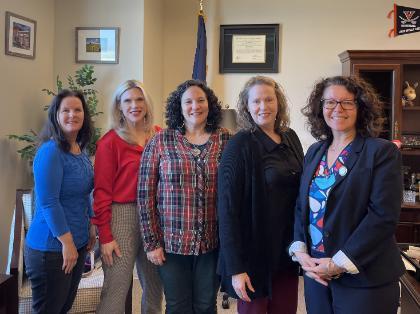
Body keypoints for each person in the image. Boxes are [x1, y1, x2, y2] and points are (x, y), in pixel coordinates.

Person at [289, 76, 405, 314]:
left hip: (365, 279)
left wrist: (338, 263)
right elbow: (303, 206)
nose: (337, 109)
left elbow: (382, 217)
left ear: (360, 107)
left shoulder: (381, 152)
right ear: (320, 108)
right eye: (330, 102)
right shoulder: (314, 152)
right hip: (318, 276)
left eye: (347, 102)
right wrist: (301, 251)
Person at [138, 79, 230, 314]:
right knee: (178, 306)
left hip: (212, 243)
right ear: (178, 107)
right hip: (171, 245)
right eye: (188, 101)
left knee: (206, 305)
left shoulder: (225, 139)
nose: (195, 106)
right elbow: (145, 194)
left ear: (209, 105)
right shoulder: (161, 141)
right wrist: (152, 243)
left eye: (201, 100)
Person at [217, 76, 303, 314]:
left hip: (288, 251)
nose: (263, 106)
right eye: (256, 101)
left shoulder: (291, 138)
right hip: (254, 255)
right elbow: (227, 210)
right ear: (246, 107)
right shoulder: (240, 144)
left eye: (269, 99)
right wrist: (236, 268)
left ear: (279, 103)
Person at [92, 80, 163, 313]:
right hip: (122, 215)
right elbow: (101, 192)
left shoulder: (161, 136)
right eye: (128, 100)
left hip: (155, 216)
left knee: (154, 289)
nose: (135, 105)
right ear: (119, 106)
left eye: (139, 99)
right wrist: (105, 235)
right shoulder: (109, 142)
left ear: (147, 103)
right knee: (117, 287)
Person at [24, 90, 96, 313]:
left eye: (77, 110)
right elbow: (49, 203)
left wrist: (90, 227)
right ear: (56, 115)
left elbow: (85, 194)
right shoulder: (50, 152)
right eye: (66, 110)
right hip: (52, 248)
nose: (72, 115)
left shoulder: (80, 150)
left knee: (62, 308)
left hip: (78, 243)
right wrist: (67, 243)